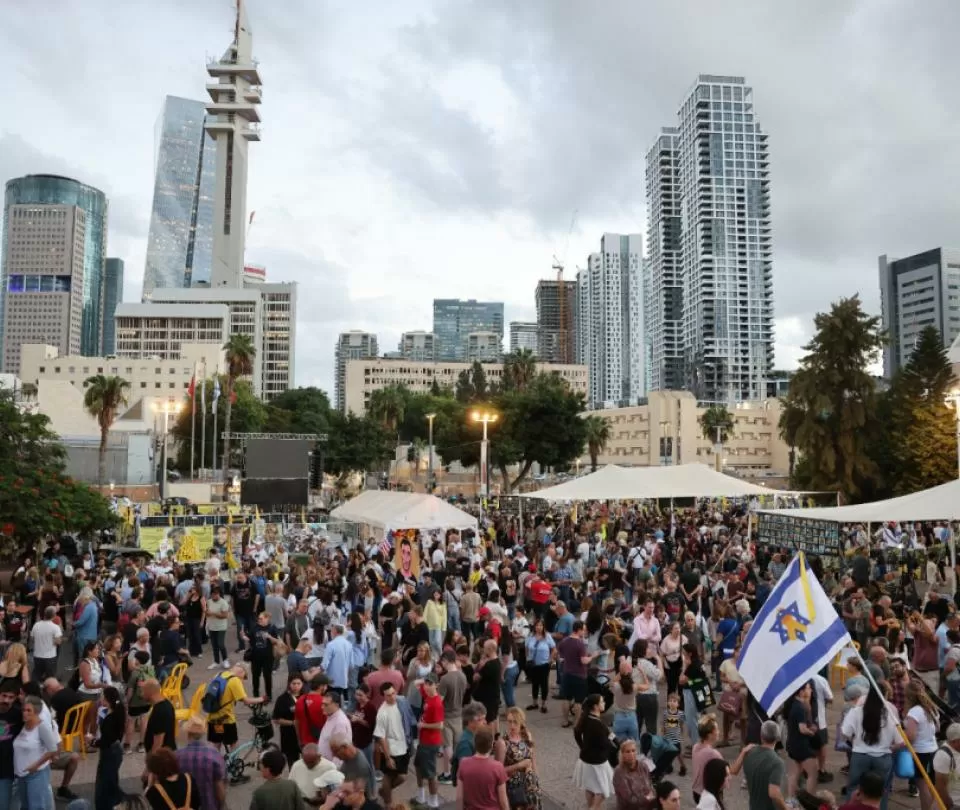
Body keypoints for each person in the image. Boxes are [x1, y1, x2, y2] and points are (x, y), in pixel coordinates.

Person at [840, 687, 897, 810]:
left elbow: (845, 732)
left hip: (860, 755)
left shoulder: (856, 711)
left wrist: (854, 741)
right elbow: (900, 741)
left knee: (854, 787)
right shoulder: (890, 714)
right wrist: (890, 747)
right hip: (883, 757)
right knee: (880, 791)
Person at [13, 695, 58, 810]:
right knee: (25, 806)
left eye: (29, 710)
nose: (25, 713)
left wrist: (36, 765)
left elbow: (53, 749)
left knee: (36, 806)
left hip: (36, 774)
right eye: (24, 710)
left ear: (36, 712)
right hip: (21, 775)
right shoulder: (23, 726)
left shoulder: (41, 727)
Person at [206, 664, 264, 754]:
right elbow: (246, 701)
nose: (242, 680)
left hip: (214, 718)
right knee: (233, 743)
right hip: (226, 720)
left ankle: (215, 761)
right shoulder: (235, 680)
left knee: (217, 742)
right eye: (244, 677)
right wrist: (262, 699)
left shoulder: (219, 674)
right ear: (242, 672)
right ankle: (232, 761)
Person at [174, 715, 227, 810]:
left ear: (187, 733)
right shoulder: (214, 754)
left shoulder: (177, 756)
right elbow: (219, 787)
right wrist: (222, 805)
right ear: (203, 734)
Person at [573, 693, 615, 810]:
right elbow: (605, 743)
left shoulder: (586, 719)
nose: (604, 703)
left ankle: (592, 807)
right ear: (596, 706)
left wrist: (582, 747)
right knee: (603, 789)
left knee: (590, 787)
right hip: (598, 762)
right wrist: (615, 748)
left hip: (585, 760)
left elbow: (576, 732)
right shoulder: (597, 724)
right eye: (602, 702)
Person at [496, 706, 541, 810]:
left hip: (531, 785)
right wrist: (518, 765)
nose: (512, 725)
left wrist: (537, 780)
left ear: (521, 722)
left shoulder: (527, 735)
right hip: (515, 789)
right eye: (509, 721)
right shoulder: (503, 743)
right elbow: (498, 772)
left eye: (515, 722)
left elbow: (533, 760)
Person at [903, 681, 939, 809]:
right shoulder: (931, 708)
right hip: (933, 749)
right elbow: (938, 729)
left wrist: (900, 743)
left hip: (920, 752)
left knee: (922, 785)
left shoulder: (914, 712)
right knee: (931, 785)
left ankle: (926, 808)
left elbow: (911, 736)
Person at [456, 726, 508, 810]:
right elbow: (503, 801)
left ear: (475, 742)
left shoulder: (463, 764)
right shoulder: (498, 767)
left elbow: (459, 798)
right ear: (492, 745)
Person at [374, 683, 408, 806]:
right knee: (388, 776)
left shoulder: (401, 702)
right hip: (391, 749)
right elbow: (381, 736)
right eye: (388, 695)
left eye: (393, 693)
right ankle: (388, 804)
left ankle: (384, 792)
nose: (392, 697)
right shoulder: (382, 712)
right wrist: (388, 757)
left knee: (402, 777)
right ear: (383, 696)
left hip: (403, 747)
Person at [413, 673, 444, 809]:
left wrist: (423, 725)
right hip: (423, 740)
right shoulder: (428, 696)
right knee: (418, 766)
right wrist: (424, 679)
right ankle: (421, 796)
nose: (426, 686)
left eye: (430, 684)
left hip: (430, 742)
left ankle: (433, 801)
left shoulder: (436, 703)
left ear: (436, 685)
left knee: (430, 773)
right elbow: (416, 683)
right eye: (426, 683)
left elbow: (440, 725)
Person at [785, 683, 820, 801]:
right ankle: (810, 800)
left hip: (792, 744)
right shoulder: (800, 707)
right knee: (812, 774)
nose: (810, 690)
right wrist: (812, 732)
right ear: (801, 692)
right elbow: (802, 729)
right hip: (802, 746)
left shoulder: (793, 705)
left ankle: (791, 799)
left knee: (794, 774)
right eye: (808, 688)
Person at [438, 649, 468, 783]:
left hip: (447, 715)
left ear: (445, 661)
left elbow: (439, 700)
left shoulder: (445, 679)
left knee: (447, 746)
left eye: (442, 662)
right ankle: (459, 770)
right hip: (458, 714)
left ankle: (448, 773)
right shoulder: (462, 676)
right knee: (457, 745)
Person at [744, 720, 787, 810]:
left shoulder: (749, 753)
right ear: (778, 738)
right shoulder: (777, 762)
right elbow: (774, 793)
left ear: (761, 736)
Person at [95, 686, 125, 810]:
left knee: (105, 782)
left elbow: (106, 741)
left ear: (107, 699)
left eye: (102, 696)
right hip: (116, 750)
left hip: (109, 752)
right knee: (111, 779)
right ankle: (116, 803)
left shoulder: (110, 718)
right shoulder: (118, 711)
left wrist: (92, 742)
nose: (100, 698)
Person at [558, 621, 592, 728]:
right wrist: (592, 657)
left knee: (566, 698)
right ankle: (576, 723)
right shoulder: (580, 643)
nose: (585, 632)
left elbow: (560, 653)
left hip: (567, 673)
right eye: (584, 630)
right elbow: (583, 661)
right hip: (579, 675)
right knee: (578, 701)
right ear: (579, 630)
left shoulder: (565, 641)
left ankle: (565, 721)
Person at [246, 611, 284, 702]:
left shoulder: (272, 628)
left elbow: (278, 641)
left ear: (267, 619)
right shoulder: (255, 627)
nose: (259, 620)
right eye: (258, 618)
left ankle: (269, 695)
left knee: (267, 676)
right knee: (255, 676)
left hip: (268, 657)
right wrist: (243, 636)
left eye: (261, 618)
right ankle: (256, 695)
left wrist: (269, 637)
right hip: (255, 657)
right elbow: (249, 638)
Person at [329, 734, 376, 802]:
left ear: (344, 747)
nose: (333, 755)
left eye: (335, 751)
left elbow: (357, 795)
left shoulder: (360, 766)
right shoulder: (349, 757)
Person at [613, 738, 655, 810]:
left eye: (633, 750)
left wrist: (653, 793)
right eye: (628, 752)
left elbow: (650, 784)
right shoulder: (619, 772)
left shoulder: (643, 766)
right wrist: (647, 798)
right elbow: (629, 799)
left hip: (647, 805)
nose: (631, 754)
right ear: (622, 754)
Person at [524, 619, 555, 714]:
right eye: (537, 625)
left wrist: (550, 659)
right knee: (535, 683)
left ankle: (544, 704)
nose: (539, 627)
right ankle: (535, 703)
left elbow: (553, 649)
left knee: (544, 684)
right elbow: (526, 647)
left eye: (541, 625)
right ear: (534, 627)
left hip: (544, 664)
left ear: (543, 627)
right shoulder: (530, 636)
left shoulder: (547, 636)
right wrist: (528, 658)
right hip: (533, 664)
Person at [453, 700, 488, 784]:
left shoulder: (474, 736)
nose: (485, 722)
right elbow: (465, 771)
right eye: (480, 719)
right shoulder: (465, 743)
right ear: (470, 721)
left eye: (484, 718)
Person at [274, 674, 305, 768]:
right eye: (293, 683)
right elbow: (276, 719)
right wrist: (292, 723)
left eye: (298, 683)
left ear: (302, 684)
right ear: (289, 684)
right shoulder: (282, 699)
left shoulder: (305, 697)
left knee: (308, 762)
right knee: (293, 764)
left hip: (305, 734)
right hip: (289, 735)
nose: (296, 686)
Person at [317, 692, 352, 765]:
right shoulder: (331, 716)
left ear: (336, 705)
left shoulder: (340, 723)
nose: (322, 707)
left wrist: (333, 769)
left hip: (331, 767)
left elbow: (341, 751)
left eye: (326, 705)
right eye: (322, 704)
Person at [142, 679, 177, 753]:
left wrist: (152, 757)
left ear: (149, 691)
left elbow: (158, 741)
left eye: (143, 691)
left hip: (161, 756)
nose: (142, 694)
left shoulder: (160, 711)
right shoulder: (166, 704)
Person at [933, 722, 960, 810]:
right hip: (954, 803)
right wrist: (949, 804)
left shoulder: (957, 749)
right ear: (954, 741)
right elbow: (940, 786)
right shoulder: (943, 755)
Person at [30, 606, 62, 680]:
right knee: (51, 677)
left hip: (37, 655)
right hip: (50, 656)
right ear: (54, 615)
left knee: (37, 675)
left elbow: (32, 639)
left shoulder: (36, 625)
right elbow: (58, 642)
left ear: (44, 614)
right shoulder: (55, 627)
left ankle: (35, 686)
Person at [205, 586, 231, 669]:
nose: (214, 596)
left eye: (216, 594)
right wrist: (207, 613)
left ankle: (225, 660)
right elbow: (206, 613)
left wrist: (213, 613)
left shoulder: (223, 603)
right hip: (212, 626)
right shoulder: (209, 602)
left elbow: (224, 615)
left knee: (220, 644)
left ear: (219, 594)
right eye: (212, 594)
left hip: (221, 627)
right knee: (214, 645)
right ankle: (216, 661)